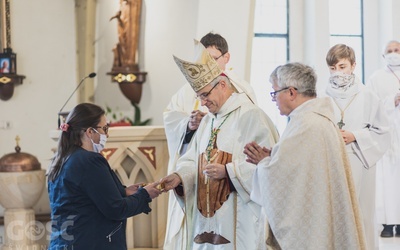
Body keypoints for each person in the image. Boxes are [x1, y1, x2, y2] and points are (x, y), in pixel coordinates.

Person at [161, 40, 279, 249]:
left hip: (240, 221)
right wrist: (179, 177)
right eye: (199, 97)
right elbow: (191, 160)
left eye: (205, 95)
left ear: (222, 85)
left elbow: (269, 167)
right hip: (204, 224)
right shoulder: (208, 121)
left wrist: (229, 171)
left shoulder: (252, 117)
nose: (203, 102)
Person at [244, 62, 366, 249]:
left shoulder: (305, 125)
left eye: (275, 93)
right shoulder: (317, 120)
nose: (274, 99)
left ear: (291, 92)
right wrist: (275, 156)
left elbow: (281, 181)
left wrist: (264, 163)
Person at [47, 103, 162, 250]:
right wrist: (145, 195)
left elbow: (80, 198)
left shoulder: (61, 159)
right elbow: (116, 209)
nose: (107, 134)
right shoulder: (89, 160)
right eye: (105, 128)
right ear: (90, 131)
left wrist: (123, 192)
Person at [325, 44, 390, 249]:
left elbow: (383, 131)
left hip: (360, 159)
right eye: (333, 68)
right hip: (330, 161)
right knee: (333, 215)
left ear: (353, 66)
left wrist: (355, 135)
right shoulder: (323, 96)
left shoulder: (367, 95)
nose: (338, 73)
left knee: (360, 214)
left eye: (342, 67)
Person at [367, 40, 400, 238]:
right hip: (387, 136)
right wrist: (392, 101)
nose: (394, 53)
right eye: (389, 51)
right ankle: (388, 224)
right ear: (383, 55)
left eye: (397, 50)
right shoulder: (376, 78)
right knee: (387, 180)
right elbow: (372, 105)